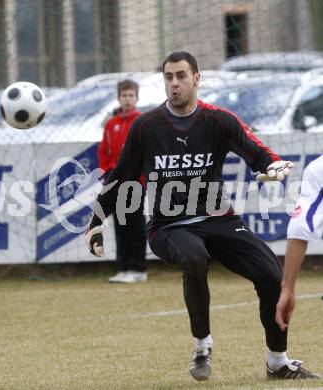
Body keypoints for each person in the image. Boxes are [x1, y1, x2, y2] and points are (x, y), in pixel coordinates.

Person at [85, 52, 320, 380]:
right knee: (194, 258)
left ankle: (278, 361)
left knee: (270, 273)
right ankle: (202, 346)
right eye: (168, 77)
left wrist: (271, 164)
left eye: (181, 75)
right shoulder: (146, 126)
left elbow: (253, 148)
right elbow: (121, 176)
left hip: (218, 219)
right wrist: (96, 221)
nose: (174, 83)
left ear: (196, 79)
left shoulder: (219, 120)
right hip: (169, 225)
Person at [98, 79, 147, 283]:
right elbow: (104, 152)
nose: (127, 99)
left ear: (137, 98)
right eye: (124, 95)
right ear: (119, 98)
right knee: (120, 223)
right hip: (115, 181)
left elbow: (146, 152)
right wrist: (107, 173)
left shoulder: (143, 122)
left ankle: (138, 269)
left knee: (135, 224)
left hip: (135, 180)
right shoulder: (111, 124)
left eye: (131, 95)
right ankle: (124, 267)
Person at [276, 155, 323, 331]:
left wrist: (288, 288)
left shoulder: (317, 169)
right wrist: (287, 288)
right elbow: (300, 227)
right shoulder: (318, 170)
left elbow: (300, 228)